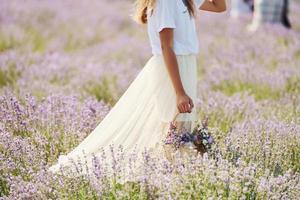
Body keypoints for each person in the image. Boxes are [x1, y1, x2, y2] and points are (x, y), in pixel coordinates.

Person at [48, 0, 226, 177]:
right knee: (172, 124)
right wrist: (179, 92)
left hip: (186, 66)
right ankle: (169, 175)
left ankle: (171, 174)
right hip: (172, 69)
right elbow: (166, 47)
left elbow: (219, 7)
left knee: (179, 127)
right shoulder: (165, 2)